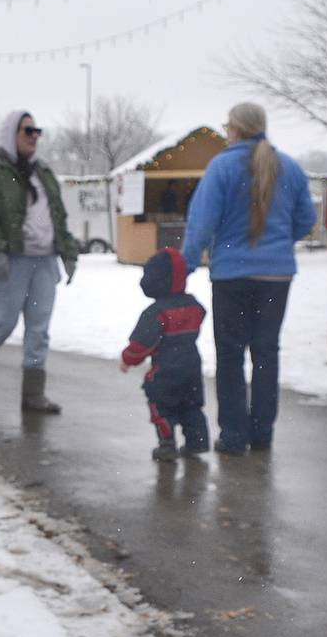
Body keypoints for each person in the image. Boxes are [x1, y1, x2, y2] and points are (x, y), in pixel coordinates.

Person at [180, 101, 315, 454]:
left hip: (232, 278)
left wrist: (186, 265)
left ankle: (234, 435)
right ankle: (262, 433)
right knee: (266, 353)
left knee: (230, 354)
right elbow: (304, 221)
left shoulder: (221, 167)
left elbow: (202, 223)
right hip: (276, 277)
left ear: (235, 129)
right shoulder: (289, 167)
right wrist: (277, 245)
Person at [0, 110, 79, 412]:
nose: (34, 137)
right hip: (11, 259)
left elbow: (58, 216)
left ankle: (32, 395)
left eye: (37, 131)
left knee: (39, 328)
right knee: (2, 323)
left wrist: (67, 252)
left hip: (44, 261)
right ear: (11, 133)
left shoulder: (44, 173)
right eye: (28, 131)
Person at [120, 247, 209, 461]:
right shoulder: (193, 306)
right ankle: (197, 442)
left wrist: (127, 359)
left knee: (161, 407)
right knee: (192, 406)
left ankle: (167, 445)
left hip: (165, 371)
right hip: (191, 368)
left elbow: (141, 344)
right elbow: (201, 314)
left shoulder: (155, 313)